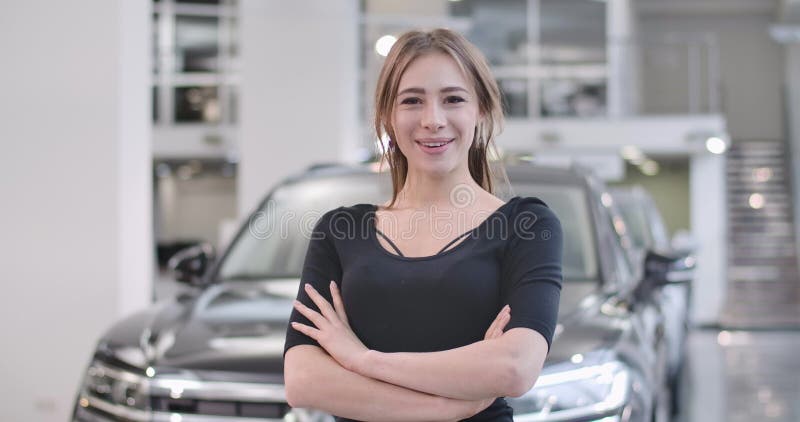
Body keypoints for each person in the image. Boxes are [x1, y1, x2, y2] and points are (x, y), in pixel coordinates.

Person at [283, 28, 563, 421]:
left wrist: (360, 359)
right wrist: (443, 408)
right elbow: (302, 379)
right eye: (412, 101)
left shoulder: (526, 225)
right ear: (387, 116)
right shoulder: (341, 230)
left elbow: (515, 367)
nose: (433, 120)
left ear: (480, 110)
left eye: (453, 99)